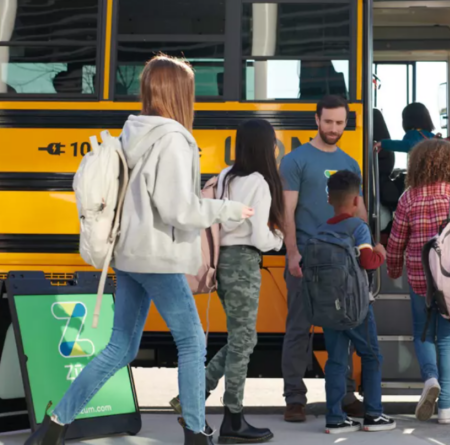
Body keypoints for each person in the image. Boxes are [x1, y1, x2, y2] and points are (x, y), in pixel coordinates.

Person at [24, 54, 253, 445]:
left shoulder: (133, 132)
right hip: (157, 257)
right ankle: (196, 433)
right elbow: (178, 209)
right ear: (181, 93)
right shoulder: (175, 140)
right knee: (192, 342)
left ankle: (55, 426)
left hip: (128, 255)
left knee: (120, 347)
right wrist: (227, 209)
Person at [168, 119, 284, 442]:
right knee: (244, 339)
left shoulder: (223, 177)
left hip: (222, 262)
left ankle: (195, 394)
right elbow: (260, 235)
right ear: (265, 147)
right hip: (245, 262)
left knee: (242, 338)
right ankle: (233, 419)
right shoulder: (259, 182)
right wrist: (278, 241)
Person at [386, 139, 450, 425]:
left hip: (420, 278)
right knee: (448, 340)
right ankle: (445, 409)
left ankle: (430, 378)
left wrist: (393, 269)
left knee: (422, 332)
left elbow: (396, 241)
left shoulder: (409, 196)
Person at [279, 95, 366, 422]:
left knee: (340, 327)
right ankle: (294, 399)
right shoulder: (295, 160)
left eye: (339, 122)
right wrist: (292, 253)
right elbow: (286, 211)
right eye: (328, 121)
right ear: (316, 120)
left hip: (342, 258)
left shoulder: (351, 163)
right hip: (305, 253)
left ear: (346, 122)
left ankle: (345, 394)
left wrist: (366, 245)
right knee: (299, 327)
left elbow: (358, 210)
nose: (333, 128)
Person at [320, 170, 396, 435]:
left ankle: (335, 418)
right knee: (371, 355)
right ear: (356, 201)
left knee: (336, 360)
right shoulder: (358, 227)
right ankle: (373, 415)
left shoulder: (322, 228)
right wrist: (381, 253)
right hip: (356, 305)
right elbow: (367, 262)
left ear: (329, 198)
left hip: (329, 306)